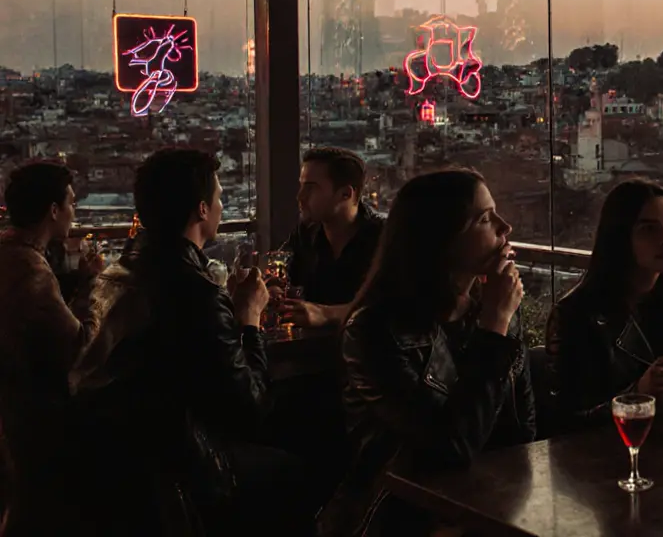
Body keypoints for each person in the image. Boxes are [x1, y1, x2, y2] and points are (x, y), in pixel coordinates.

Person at [74, 148, 319, 535]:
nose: (223, 206)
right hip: (185, 466)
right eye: (220, 198)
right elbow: (248, 409)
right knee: (300, 466)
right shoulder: (193, 291)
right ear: (202, 210)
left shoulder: (119, 272)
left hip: (120, 460)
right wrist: (250, 320)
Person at [321, 169, 536, 536]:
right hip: (398, 514)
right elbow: (449, 445)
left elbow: (522, 434)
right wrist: (495, 328)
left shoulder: (491, 314)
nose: (505, 228)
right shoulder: (373, 331)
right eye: (484, 219)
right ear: (441, 238)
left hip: (488, 505)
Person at [546, 179, 663, 432]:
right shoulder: (575, 314)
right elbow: (564, 425)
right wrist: (638, 393)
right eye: (648, 229)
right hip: (606, 460)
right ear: (620, 237)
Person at [0, 161, 103, 535]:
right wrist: (94, 289)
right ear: (53, 210)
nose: (76, 212)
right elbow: (79, 347)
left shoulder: (11, 253)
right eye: (72, 203)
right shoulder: (31, 269)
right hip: (36, 422)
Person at [278, 147, 383, 329]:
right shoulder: (306, 233)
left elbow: (395, 308)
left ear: (345, 194)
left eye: (311, 188)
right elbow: (283, 272)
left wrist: (327, 314)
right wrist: (272, 289)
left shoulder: (384, 238)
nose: (299, 197)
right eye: (301, 186)